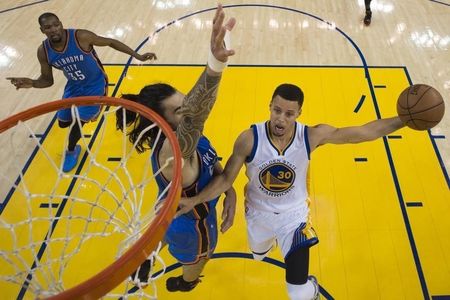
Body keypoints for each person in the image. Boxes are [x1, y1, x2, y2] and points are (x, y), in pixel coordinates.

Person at [177, 83, 406, 300]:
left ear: (298, 113)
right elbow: (226, 179)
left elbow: (363, 132)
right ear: (269, 107)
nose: (281, 118)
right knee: (258, 254)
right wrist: (195, 200)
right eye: (277, 110)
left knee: (297, 293)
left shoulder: (310, 136)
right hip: (258, 213)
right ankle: (267, 245)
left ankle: (310, 288)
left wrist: (404, 119)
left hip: (293, 217)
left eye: (289, 114)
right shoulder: (249, 139)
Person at [116, 5, 237, 292]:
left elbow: (211, 163)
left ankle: (145, 258)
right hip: (192, 227)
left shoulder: (183, 141)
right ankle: (187, 281)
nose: (188, 111)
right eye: (180, 111)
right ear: (164, 122)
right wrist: (214, 67)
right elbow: (197, 113)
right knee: (199, 259)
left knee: (162, 221)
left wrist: (228, 187)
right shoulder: (174, 153)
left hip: (170, 208)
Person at [7, 12, 157, 172]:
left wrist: (138, 56)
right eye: (48, 27)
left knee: (78, 123)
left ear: (61, 23)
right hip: (73, 87)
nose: (54, 30)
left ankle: (71, 150)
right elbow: (47, 80)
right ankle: (80, 122)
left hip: (95, 86)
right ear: (42, 30)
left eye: (56, 25)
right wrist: (31, 83)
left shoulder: (81, 37)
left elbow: (111, 42)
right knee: (63, 123)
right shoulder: (43, 51)